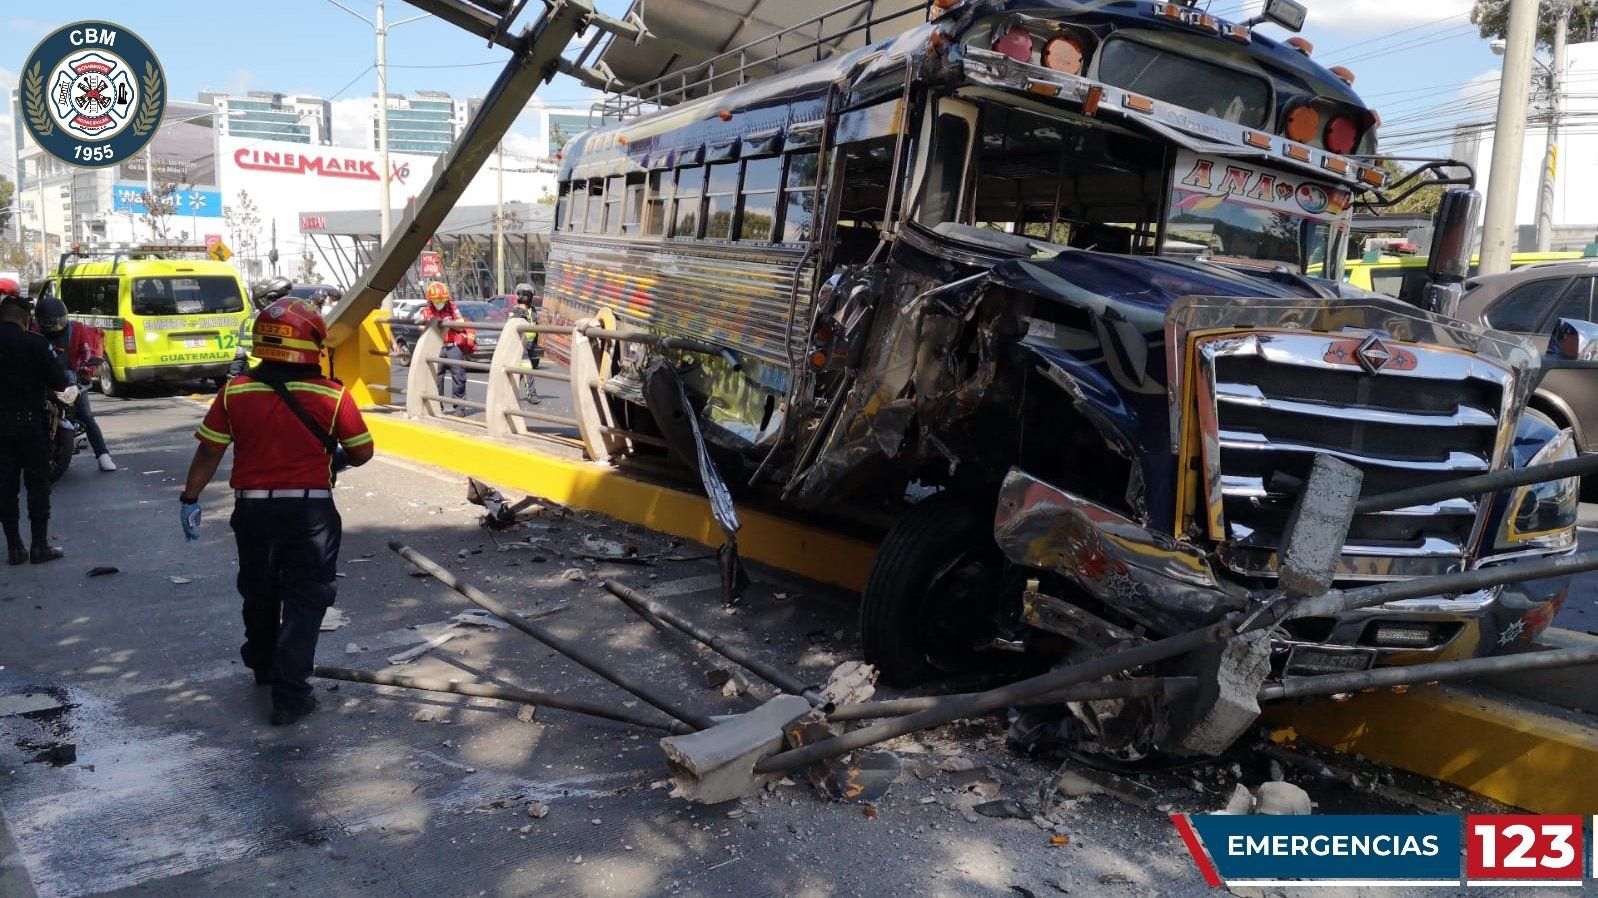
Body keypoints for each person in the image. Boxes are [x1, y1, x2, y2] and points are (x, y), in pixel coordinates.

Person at [179, 296, 374, 725]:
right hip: (311, 515)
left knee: (259, 589)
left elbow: (210, 451)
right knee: (307, 599)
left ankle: (263, 666)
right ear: (311, 345)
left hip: (252, 513)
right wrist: (333, 458)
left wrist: (189, 498)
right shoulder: (331, 395)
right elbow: (362, 452)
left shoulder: (236, 391)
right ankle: (291, 696)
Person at [0, 279, 69, 564]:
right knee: (37, 484)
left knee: (5, 486)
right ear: (27, 320)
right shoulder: (35, 343)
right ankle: (40, 545)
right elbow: (60, 381)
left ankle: (14, 547)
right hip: (31, 424)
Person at [33, 297, 117, 472]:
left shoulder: (77, 328)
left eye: (59, 321)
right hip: (42, 381)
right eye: (49, 323)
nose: (55, 326)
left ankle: (103, 455)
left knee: (87, 416)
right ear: (40, 321)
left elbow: (86, 352)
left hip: (71, 381)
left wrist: (86, 371)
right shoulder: (33, 331)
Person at [418, 281, 474, 416]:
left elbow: (461, 326)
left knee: (459, 377)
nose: (440, 304)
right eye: (437, 301)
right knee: (436, 378)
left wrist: (446, 324)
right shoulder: (424, 312)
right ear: (430, 301)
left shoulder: (452, 308)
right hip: (435, 348)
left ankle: (459, 408)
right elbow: (421, 329)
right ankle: (437, 406)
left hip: (452, 346)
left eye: (442, 300)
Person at [513, 282, 542, 405]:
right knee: (527, 369)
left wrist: (536, 344)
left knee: (519, 373)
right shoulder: (516, 310)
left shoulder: (533, 310)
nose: (526, 297)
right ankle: (532, 395)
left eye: (528, 295)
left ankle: (510, 392)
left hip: (530, 345)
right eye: (523, 295)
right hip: (520, 345)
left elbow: (535, 326)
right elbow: (513, 326)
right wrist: (520, 311)